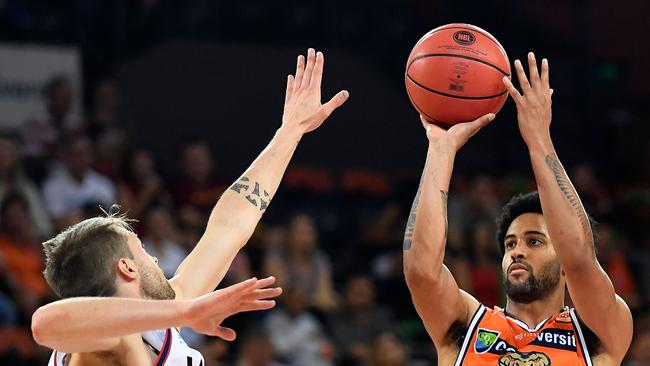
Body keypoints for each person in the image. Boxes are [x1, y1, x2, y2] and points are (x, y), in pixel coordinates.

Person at [31, 48, 350, 366]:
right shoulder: (97, 348)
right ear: (126, 268)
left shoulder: (165, 313)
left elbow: (228, 226)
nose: (154, 257)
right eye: (141, 249)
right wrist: (188, 312)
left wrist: (289, 134)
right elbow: (43, 324)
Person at [403, 53, 632, 365]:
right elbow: (421, 272)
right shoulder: (467, 325)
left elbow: (579, 258)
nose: (517, 251)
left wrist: (539, 141)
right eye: (511, 244)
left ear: (561, 257)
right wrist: (441, 150)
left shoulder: (595, 333)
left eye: (534, 240)